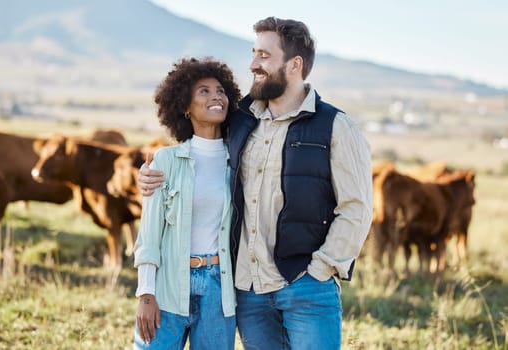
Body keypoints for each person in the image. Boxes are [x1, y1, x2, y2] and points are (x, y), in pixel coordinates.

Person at [138, 17, 373, 350]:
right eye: (253, 54)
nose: (252, 64)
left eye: (264, 56)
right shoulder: (241, 119)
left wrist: (320, 269)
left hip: (306, 288)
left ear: (295, 64)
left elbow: (357, 208)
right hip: (249, 294)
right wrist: (148, 178)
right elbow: (196, 156)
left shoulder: (337, 126)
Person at [133, 57, 241, 350]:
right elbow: (150, 234)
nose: (216, 96)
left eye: (220, 90)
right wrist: (146, 294)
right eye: (203, 91)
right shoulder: (166, 160)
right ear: (184, 105)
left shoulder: (239, 161)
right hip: (168, 286)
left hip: (219, 290)